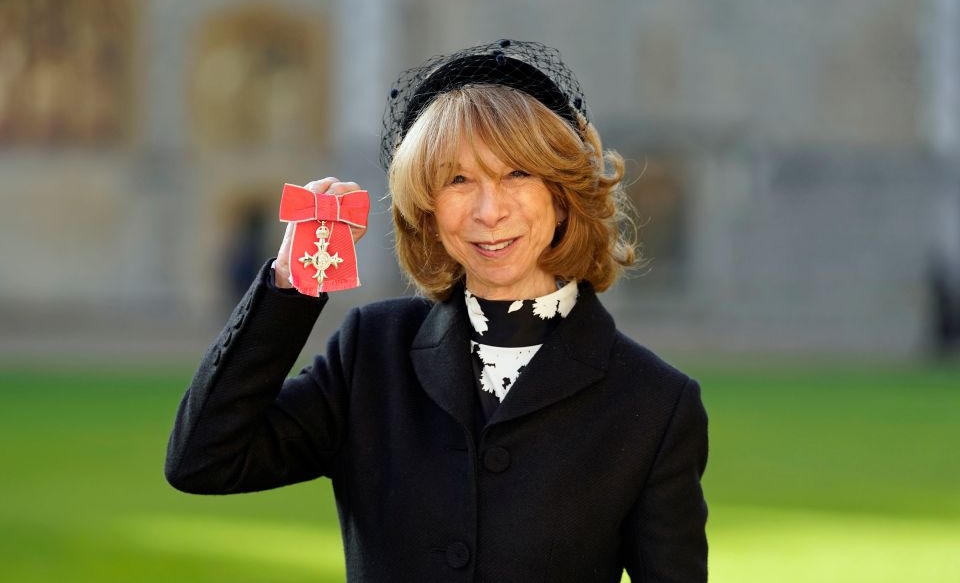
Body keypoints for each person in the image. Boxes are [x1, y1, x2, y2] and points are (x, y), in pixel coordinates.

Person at [165, 39, 708, 582]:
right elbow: (204, 458)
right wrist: (290, 284)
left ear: (563, 196)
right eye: (457, 180)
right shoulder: (370, 354)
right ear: (426, 209)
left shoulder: (655, 402)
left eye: (517, 174)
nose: (488, 212)